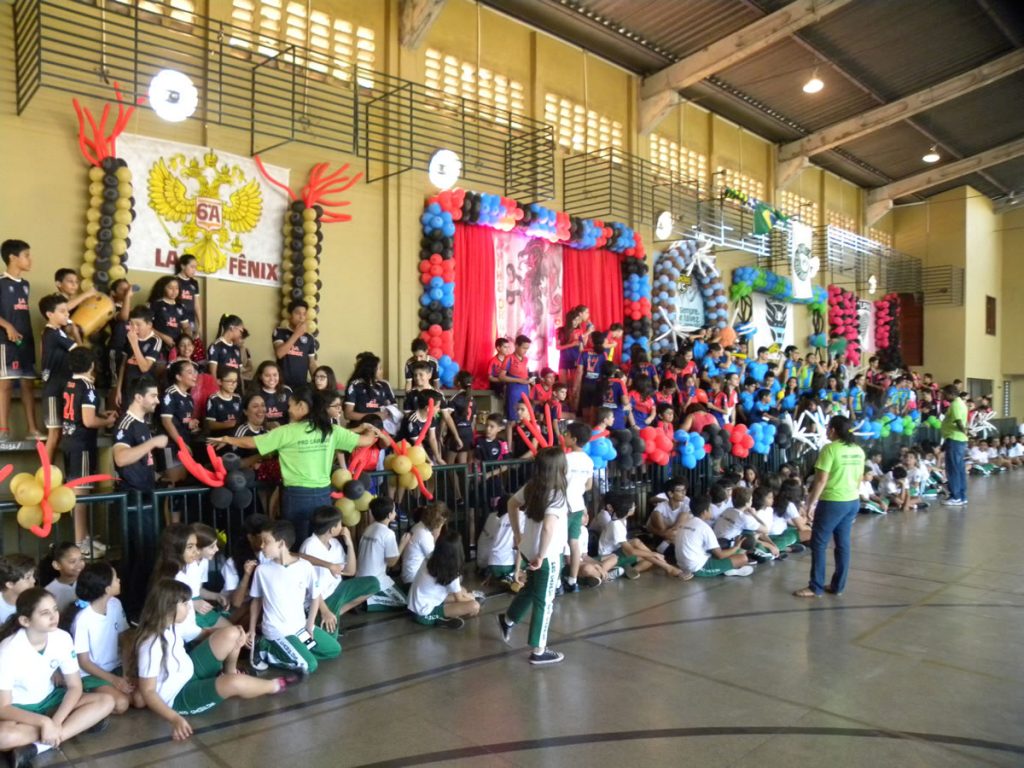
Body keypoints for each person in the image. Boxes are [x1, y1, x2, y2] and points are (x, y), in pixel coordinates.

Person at [132, 579, 294, 743]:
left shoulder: (173, 625)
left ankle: (228, 672)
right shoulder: (151, 644)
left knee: (231, 633)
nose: (189, 608)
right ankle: (275, 685)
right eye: (185, 604)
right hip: (179, 696)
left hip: (190, 671)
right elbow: (148, 691)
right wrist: (174, 718)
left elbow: (205, 633)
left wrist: (236, 632)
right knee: (233, 682)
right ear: (169, 607)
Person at [210, 387, 380, 544]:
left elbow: (252, 442)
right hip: (323, 495)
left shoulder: (286, 431)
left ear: (301, 406)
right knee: (321, 543)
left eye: (291, 405)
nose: (288, 409)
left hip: (296, 497)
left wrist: (227, 439)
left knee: (296, 543)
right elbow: (367, 440)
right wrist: (371, 430)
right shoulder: (330, 430)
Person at [0, 588, 114, 767]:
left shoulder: (62, 638)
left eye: (55, 609)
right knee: (3, 737)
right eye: (45, 613)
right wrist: (44, 722)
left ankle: (38, 747)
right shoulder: (8, 650)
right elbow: (3, 707)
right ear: (25, 621)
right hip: (20, 708)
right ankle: (75, 726)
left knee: (106, 701)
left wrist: (56, 721)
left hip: (51, 700)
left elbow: (75, 686)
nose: (54, 616)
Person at [500, 448, 569, 665]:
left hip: (528, 547)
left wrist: (517, 533)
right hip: (546, 555)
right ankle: (539, 650)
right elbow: (548, 527)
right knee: (545, 600)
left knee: (531, 589)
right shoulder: (557, 494)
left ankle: (508, 619)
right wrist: (541, 554)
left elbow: (511, 503)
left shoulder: (533, 486)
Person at [248, 521, 340, 674]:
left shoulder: (305, 566)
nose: (261, 546)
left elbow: (315, 597)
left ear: (281, 544)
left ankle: (294, 652)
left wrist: (309, 625)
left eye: (266, 541)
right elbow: (256, 601)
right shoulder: (262, 570)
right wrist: (251, 630)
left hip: (300, 628)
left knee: (333, 650)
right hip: (276, 631)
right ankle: (265, 649)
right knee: (309, 665)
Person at [794, 415, 865, 598]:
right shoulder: (858, 450)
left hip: (833, 502)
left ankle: (815, 587)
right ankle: (838, 586)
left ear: (833, 430)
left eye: (827, 428)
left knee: (819, 543)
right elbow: (859, 478)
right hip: (852, 500)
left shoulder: (830, 449)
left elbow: (820, 481)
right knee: (843, 544)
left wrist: (810, 504)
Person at [62, 348, 118, 552]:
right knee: (81, 495)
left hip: (69, 442)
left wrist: (100, 414)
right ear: (92, 365)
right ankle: (80, 542)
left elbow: (79, 413)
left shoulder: (70, 383)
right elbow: (88, 421)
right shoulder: (88, 387)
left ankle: (83, 536)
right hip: (82, 446)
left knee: (76, 492)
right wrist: (107, 421)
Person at [67, 562, 136, 714]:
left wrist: (126, 672)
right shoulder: (83, 619)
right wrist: (114, 680)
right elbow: (84, 662)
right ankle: (90, 699)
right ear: (107, 589)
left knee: (140, 699)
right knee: (122, 704)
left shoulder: (115, 604)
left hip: (116, 667)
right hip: (93, 673)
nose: (119, 580)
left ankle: (104, 697)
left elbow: (124, 639)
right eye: (115, 578)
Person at [299, 507, 378, 638]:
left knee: (373, 583)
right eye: (340, 523)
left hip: (337, 590)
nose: (342, 526)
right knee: (332, 639)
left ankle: (335, 613)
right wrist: (325, 611)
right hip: (320, 599)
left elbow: (350, 571)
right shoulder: (309, 546)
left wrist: (349, 544)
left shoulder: (335, 543)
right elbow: (311, 587)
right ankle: (324, 614)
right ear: (332, 529)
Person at [0, 239, 42, 440]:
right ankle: (3, 429)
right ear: (12, 257)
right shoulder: (1, 282)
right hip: (6, 344)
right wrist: (7, 326)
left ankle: (32, 429)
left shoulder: (25, 284)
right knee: (6, 385)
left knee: (28, 385)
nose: (30, 260)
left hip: (26, 343)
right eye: (26, 255)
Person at [597, 491, 686, 579]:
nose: (635, 507)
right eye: (633, 506)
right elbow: (630, 551)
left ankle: (628, 571)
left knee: (649, 560)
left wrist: (651, 555)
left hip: (619, 552)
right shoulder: (615, 524)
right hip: (610, 556)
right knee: (638, 544)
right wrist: (653, 554)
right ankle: (668, 568)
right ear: (628, 510)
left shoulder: (622, 520)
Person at [407, 531, 481, 629]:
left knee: (463, 591)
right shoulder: (451, 570)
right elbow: (459, 599)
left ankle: (447, 613)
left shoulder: (431, 556)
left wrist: (466, 596)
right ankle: (440, 618)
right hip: (424, 614)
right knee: (474, 605)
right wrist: (472, 598)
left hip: (414, 605)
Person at [675, 496, 754, 578]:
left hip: (682, 565)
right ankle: (728, 569)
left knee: (724, 550)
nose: (712, 510)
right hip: (697, 568)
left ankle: (726, 568)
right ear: (705, 512)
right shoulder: (704, 527)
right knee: (742, 558)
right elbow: (720, 555)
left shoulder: (685, 523)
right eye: (710, 508)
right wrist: (736, 547)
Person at [38, 294, 77, 459]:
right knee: (53, 434)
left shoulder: (59, 332)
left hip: (62, 387)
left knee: (60, 434)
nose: (67, 314)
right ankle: (46, 472)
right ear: (49, 314)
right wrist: (75, 332)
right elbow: (79, 351)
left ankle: (51, 471)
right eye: (62, 311)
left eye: (67, 311)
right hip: (53, 389)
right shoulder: (52, 333)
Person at [357, 498, 411, 610]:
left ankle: (362, 597)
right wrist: (403, 544)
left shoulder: (369, 528)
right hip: (375, 579)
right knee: (405, 603)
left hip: (360, 577)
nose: (396, 513)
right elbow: (391, 563)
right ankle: (367, 601)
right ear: (389, 515)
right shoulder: (388, 533)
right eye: (394, 511)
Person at [562, 421, 594, 592]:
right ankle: (572, 581)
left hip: (563, 506)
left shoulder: (565, 459)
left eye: (566, 434)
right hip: (578, 505)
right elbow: (588, 485)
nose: (564, 437)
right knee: (574, 543)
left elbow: (558, 483)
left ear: (574, 439)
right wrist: (577, 488)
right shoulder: (588, 461)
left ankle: (557, 582)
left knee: (557, 543)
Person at [159, 359, 200, 485]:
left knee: (182, 481)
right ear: (178, 377)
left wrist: (191, 423)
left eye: (195, 372)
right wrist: (181, 444)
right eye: (189, 372)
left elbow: (181, 420)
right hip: (171, 444)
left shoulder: (189, 398)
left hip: (184, 443)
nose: (194, 375)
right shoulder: (170, 393)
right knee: (172, 482)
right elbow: (166, 421)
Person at [116, 306, 162, 410]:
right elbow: (123, 365)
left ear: (149, 325)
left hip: (144, 391)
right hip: (128, 386)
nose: (134, 328)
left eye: (138, 324)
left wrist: (134, 343)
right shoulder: (129, 337)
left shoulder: (155, 340)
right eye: (131, 324)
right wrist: (118, 389)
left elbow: (144, 368)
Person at [273, 300, 319, 390]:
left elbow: (312, 363)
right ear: (290, 315)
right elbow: (279, 353)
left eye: (304, 314)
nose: (301, 317)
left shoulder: (309, 338)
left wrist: (319, 378)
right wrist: (297, 334)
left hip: (301, 386)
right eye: (298, 313)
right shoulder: (280, 332)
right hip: (282, 385)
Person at [401, 502, 448, 586]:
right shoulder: (424, 534)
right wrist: (437, 534)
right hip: (413, 580)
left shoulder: (419, 526)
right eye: (442, 523)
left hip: (412, 576)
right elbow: (435, 560)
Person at [940, 384, 969, 506]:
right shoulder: (961, 403)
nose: (943, 396)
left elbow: (958, 421)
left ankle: (955, 496)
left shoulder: (955, 404)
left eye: (944, 394)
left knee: (953, 469)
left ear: (951, 394)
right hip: (957, 440)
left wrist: (965, 431)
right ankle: (962, 496)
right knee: (959, 469)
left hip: (955, 439)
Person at [40, 543, 84, 615]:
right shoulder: (49, 591)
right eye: (72, 561)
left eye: (81, 559)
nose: (79, 564)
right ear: (57, 565)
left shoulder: (88, 582)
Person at [148, 276, 188, 350]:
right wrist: (164, 337)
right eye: (170, 288)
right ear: (162, 288)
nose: (174, 291)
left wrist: (187, 338)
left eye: (176, 288)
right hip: (157, 344)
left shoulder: (181, 307)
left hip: (176, 346)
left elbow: (186, 327)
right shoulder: (154, 305)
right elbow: (147, 326)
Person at [173, 255, 202, 344]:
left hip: (190, 320)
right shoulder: (174, 281)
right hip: (176, 319)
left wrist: (200, 324)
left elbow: (196, 305)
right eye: (192, 267)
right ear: (182, 266)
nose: (194, 270)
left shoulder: (194, 283)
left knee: (189, 345)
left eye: (195, 268)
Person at [252, 360, 290, 427]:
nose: (272, 379)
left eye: (275, 375)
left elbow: (294, 415)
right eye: (267, 375)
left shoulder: (287, 391)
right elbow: (250, 419)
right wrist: (266, 425)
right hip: (262, 431)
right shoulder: (254, 394)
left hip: (285, 430)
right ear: (260, 376)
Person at [206, 314, 244, 379]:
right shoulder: (216, 346)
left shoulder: (236, 349)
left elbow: (240, 373)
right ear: (232, 328)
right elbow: (213, 374)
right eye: (240, 331)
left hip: (235, 385)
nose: (241, 334)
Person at [0, 555, 36, 624]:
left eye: (33, 576)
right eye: (28, 578)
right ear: (10, 584)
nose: (34, 580)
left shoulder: (36, 600)